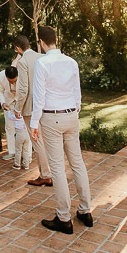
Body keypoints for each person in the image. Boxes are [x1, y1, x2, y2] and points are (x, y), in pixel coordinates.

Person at [30, 26, 92, 235]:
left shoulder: (43, 63)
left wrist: (33, 123)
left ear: (42, 42)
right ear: (56, 40)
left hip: (52, 117)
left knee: (57, 167)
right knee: (78, 163)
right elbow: (77, 92)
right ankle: (85, 211)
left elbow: (38, 97)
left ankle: (64, 217)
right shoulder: (71, 62)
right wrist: (75, 111)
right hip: (71, 115)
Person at [14, 35, 51, 187]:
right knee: (47, 140)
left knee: (38, 141)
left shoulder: (23, 62)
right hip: (46, 105)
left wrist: (17, 108)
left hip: (30, 107)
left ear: (18, 48)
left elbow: (23, 89)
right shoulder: (43, 57)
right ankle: (52, 172)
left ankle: (46, 175)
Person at [0, 65, 19, 161]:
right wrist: (3, 103)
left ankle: (26, 153)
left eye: (15, 80)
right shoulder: (1, 76)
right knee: (9, 128)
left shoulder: (23, 74)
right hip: (8, 104)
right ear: (6, 77)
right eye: (11, 81)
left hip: (21, 103)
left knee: (23, 128)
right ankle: (12, 151)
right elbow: (0, 91)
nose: (13, 83)